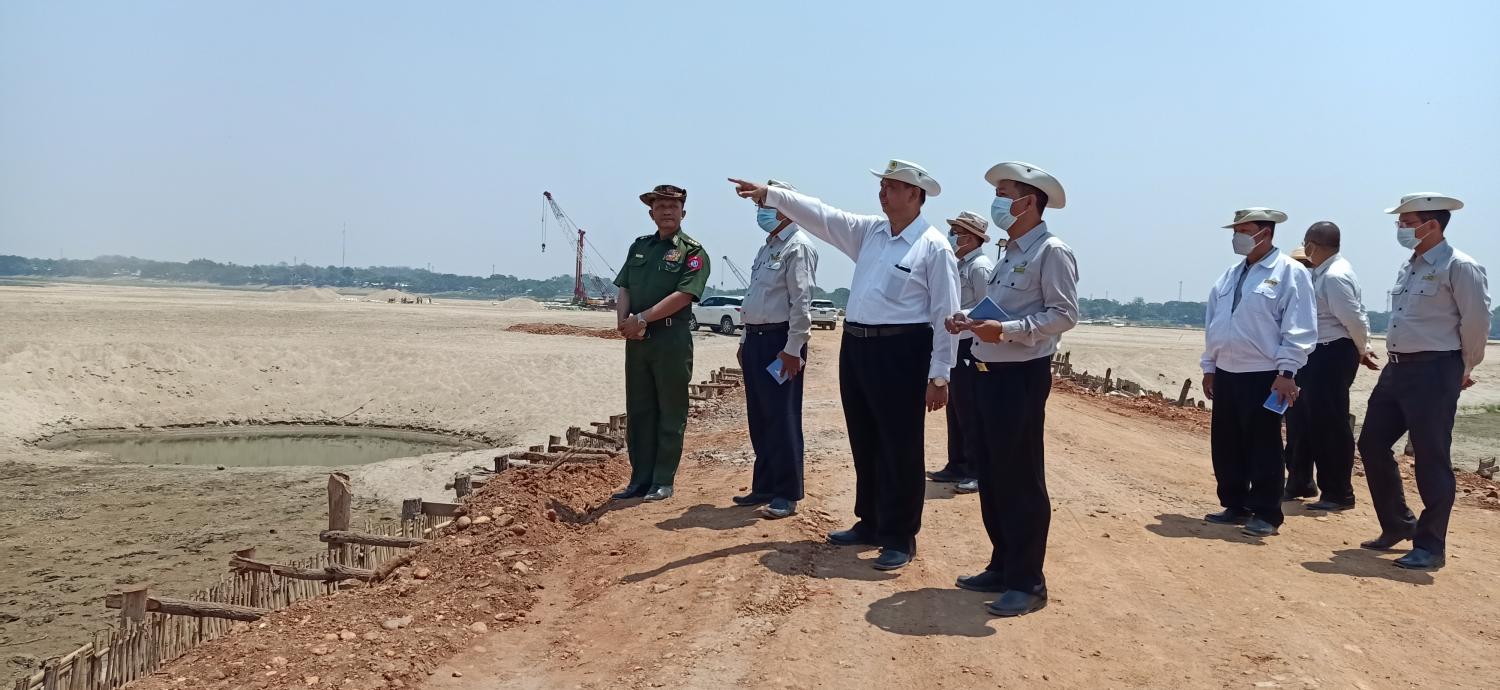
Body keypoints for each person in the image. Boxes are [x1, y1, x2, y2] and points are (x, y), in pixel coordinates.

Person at [729, 160, 959, 571]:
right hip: (856, 345)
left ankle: (899, 536)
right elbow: (822, 214)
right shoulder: (870, 232)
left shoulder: (933, 246)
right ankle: (869, 521)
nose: (882, 193)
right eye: (882, 186)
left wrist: (940, 374)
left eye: (891, 187)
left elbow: (947, 313)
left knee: (900, 445)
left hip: (902, 350)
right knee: (864, 438)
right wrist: (771, 195)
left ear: (914, 194)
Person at [945, 161, 1078, 617]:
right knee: (993, 473)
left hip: (1020, 376)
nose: (997, 202)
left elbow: (1064, 314)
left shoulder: (1051, 251)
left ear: (1029, 202)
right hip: (986, 372)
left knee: (1020, 478)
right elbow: (998, 308)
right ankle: (1002, 564)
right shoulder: (1009, 252)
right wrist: (969, 321)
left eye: (1004, 194)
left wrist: (1006, 330)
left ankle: (1028, 581)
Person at [1357, 193, 1491, 570]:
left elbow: (1477, 322)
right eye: (1400, 222)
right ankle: (1398, 524)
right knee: (1371, 443)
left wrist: (1464, 366)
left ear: (1431, 225)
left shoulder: (1459, 266)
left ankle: (1430, 546)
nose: (1400, 228)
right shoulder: (1410, 265)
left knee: (1431, 456)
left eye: (1407, 222)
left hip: (1435, 369)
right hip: (1397, 368)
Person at [1199, 208, 1317, 538]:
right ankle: (1235, 503)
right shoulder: (1229, 276)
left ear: (1265, 233)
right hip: (1227, 371)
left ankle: (1266, 512)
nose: (1237, 237)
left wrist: (1287, 371)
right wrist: (1209, 367)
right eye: (1235, 231)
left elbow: (1299, 327)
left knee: (1263, 444)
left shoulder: (1290, 272)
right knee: (1227, 443)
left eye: (1244, 230)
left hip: (1264, 373)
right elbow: (1214, 324)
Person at [611, 184, 711, 502]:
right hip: (638, 341)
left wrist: (642, 318)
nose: (667, 211)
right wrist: (625, 323)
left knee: (671, 409)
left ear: (683, 212)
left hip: (671, 339)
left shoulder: (693, 252)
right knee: (639, 410)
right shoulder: (639, 247)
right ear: (651, 213)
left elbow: (684, 295)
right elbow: (625, 286)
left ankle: (663, 480)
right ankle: (639, 479)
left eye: (673, 206)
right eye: (660, 206)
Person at [735, 179, 819, 519]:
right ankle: (765, 484)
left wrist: (793, 348)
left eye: (765, 205)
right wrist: (744, 341)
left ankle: (786, 492)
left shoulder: (798, 247)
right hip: (756, 339)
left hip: (780, 343)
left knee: (782, 417)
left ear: (786, 208)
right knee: (759, 416)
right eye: (760, 205)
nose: (760, 212)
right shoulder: (768, 247)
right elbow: (755, 298)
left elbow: (801, 303)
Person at [1283, 222, 1377, 510]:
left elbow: (1355, 319)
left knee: (1330, 424)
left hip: (1332, 352)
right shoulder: (1320, 273)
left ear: (1312, 244)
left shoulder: (1335, 276)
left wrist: (1363, 349)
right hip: (1314, 353)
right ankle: (1300, 481)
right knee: (1303, 419)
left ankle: (1338, 492)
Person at [927, 211, 995, 494]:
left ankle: (976, 470)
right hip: (955, 343)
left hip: (971, 345)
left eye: (956, 231)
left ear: (971, 238)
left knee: (971, 409)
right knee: (955, 406)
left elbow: (988, 307)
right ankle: (956, 464)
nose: (952, 236)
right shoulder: (958, 264)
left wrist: (962, 317)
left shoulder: (980, 268)